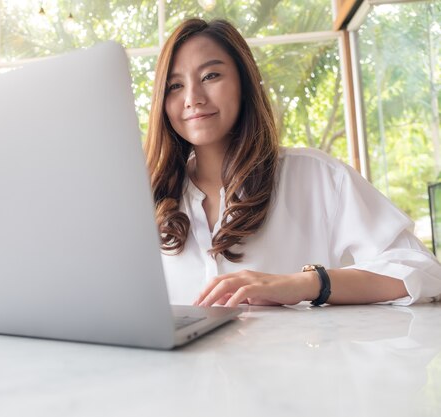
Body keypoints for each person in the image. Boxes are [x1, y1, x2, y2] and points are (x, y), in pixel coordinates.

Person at [144, 18, 441, 308]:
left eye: (210, 76)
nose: (193, 98)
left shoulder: (315, 176)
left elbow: (423, 271)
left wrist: (307, 284)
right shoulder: (147, 199)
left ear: (245, 84)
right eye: (175, 86)